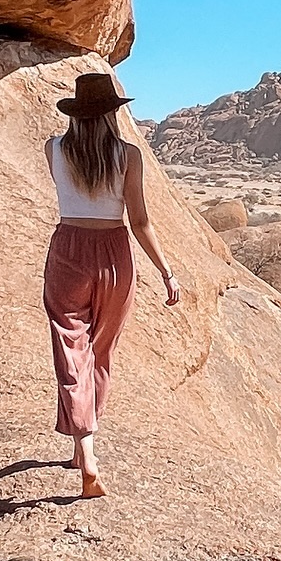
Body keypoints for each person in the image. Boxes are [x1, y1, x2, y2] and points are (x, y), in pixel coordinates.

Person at [43, 71, 180, 497]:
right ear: (111, 115)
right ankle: (84, 442)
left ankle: (84, 448)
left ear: (76, 113)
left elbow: (70, 194)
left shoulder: (54, 149)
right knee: (100, 351)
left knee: (71, 348)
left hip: (68, 248)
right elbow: (139, 220)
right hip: (115, 255)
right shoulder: (129, 155)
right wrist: (165, 270)